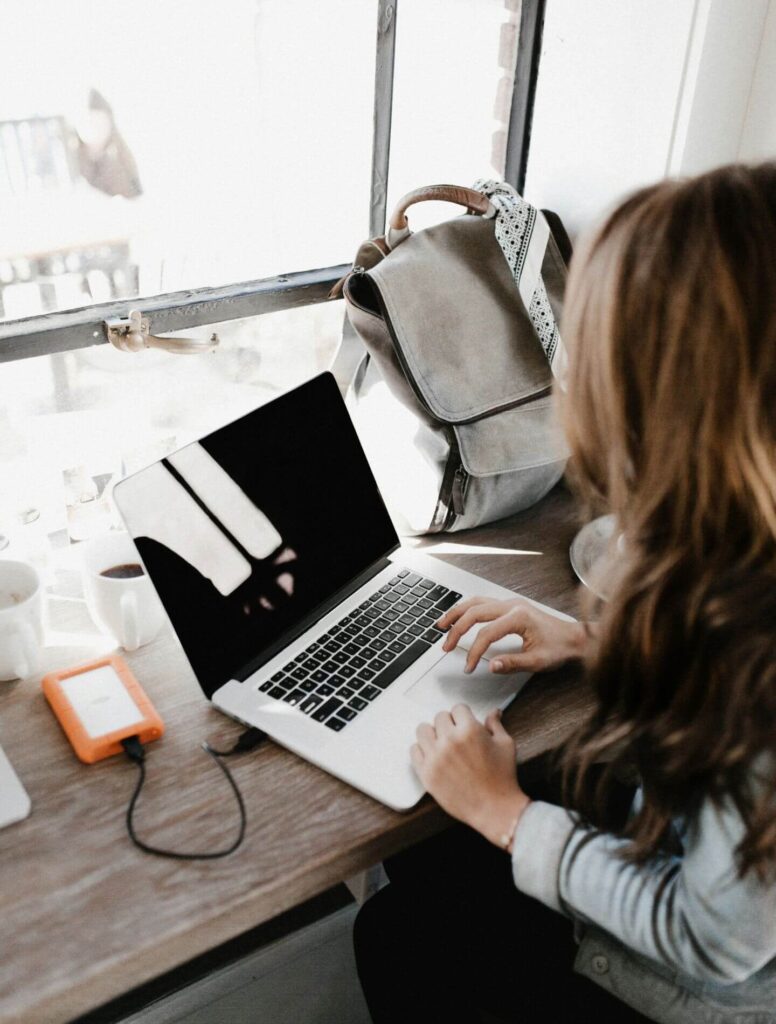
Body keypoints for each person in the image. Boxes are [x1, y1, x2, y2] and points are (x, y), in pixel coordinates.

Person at [353, 162, 776, 1024]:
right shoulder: (740, 559)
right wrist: (596, 641)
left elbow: (717, 942)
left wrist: (505, 816)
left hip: (700, 994)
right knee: (429, 860)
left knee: (401, 929)